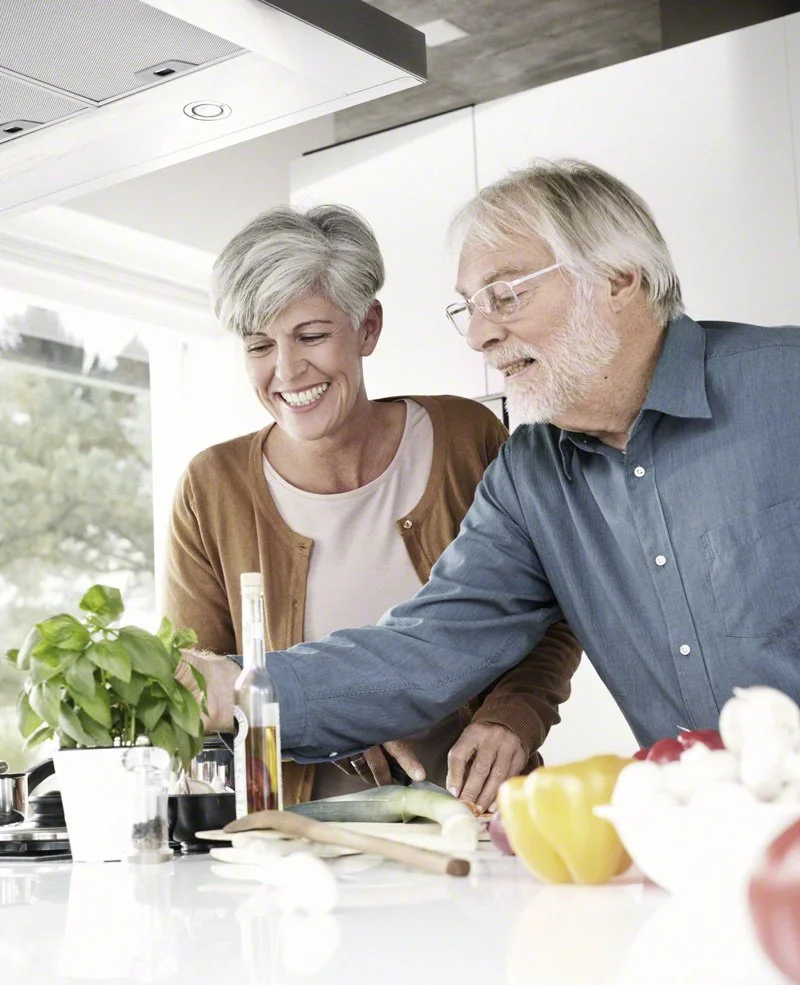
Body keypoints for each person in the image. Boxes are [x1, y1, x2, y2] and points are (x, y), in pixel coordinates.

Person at [190, 157, 800, 766]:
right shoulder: (529, 475)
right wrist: (234, 690)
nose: (478, 334)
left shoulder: (786, 385)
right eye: (470, 307)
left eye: (504, 296)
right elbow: (429, 648)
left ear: (617, 278)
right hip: (711, 833)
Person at [164, 203, 580, 810]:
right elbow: (193, 695)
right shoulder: (211, 486)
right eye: (259, 345)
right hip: (296, 839)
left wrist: (512, 718)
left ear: (368, 328)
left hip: (482, 815)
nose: (286, 370)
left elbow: (550, 607)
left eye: (311, 335)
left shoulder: (468, 437)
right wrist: (336, 715)